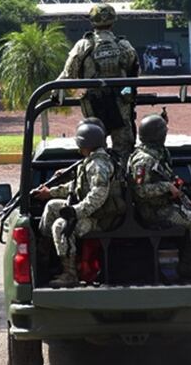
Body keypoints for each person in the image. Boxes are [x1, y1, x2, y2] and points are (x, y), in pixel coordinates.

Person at [127, 113, 191, 282]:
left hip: (163, 206)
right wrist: (166, 187)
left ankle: (188, 265)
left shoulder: (157, 154)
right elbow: (139, 190)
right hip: (153, 211)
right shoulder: (143, 160)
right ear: (157, 135)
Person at [32, 119, 124, 288]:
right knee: (52, 206)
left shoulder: (99, 165)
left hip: (102, 219)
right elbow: (77, 187)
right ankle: (44, 255)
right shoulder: (91, 161)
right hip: (95, 212)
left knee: (60, 226)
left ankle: (70, 274)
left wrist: (75, 212)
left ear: (85, 143)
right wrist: (50, 192)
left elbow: (98, 196)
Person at [58, 3, 139, 162]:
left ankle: (97, 174)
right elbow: (135, 73)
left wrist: (56, 92)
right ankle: (121, 179)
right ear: (113, 21)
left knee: (93, 148)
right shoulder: (124, 45)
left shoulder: (83, 46)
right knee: (124, 151)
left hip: (94, 105)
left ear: (92, 22)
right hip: (120, 105)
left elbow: (68, 74)